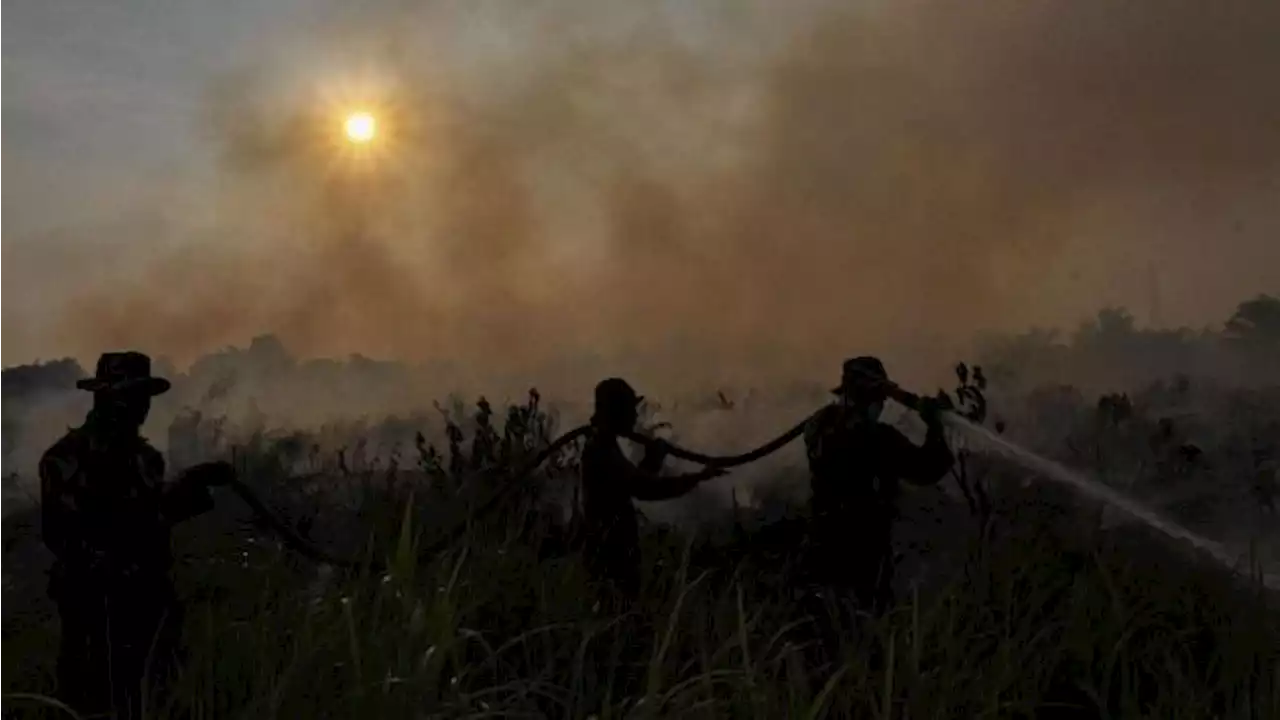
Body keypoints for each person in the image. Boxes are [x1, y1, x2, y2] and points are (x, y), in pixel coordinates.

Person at [40, 351, 234, 719]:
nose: (139, 407)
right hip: (96, 616)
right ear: (104, 396)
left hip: (149, 608)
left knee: (157, 701)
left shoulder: (147, 460)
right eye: (129, 396)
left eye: (143, 397)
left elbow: (151, 519)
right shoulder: (66, 459)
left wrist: (190, 487)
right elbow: (68, 537)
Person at [803, 356, 954, 613]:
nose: (882, 404)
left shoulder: (819, 425)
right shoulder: (877, 439)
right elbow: (926, 469)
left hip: (822, 546)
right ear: (869, 398)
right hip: (863, 553)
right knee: (867, 621)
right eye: (879, 398)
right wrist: (935, 428)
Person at [579, 378, 724, 604]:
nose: (635, 417)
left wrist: (653, 459)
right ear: (617, 413)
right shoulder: (601, 451)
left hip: (615, 551)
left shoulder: (604, 446)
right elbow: (645, 489)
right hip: (609, 554)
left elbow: (631, 484)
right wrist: (698, 477)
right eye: (630, 411)